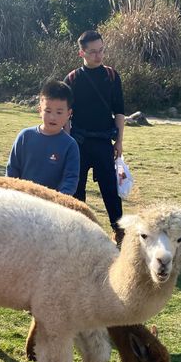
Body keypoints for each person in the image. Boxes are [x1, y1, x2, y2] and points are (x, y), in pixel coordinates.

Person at [64, 30, 126, 243]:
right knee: (76, 188)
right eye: (93, 52)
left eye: (101, 50)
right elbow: (65, 115)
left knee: (110, 189)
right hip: (77, 143)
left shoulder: (111, 76)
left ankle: (119, 230)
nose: (98, 56)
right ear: (81, 53)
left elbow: (119, 111)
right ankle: (79, 229)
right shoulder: (72, 79)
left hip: (103, 142)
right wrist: (66, 141)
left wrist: (119, 141)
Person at [6, 79, 80, 195]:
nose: (53, 117)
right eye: (48, 111)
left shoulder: (70, 145)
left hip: (51, 207)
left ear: (69, 114)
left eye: (59, 112)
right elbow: (12, 170)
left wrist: (58, 200)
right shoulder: (25, 136)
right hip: (21, 201)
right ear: (40, 110)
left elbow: (70, 179)